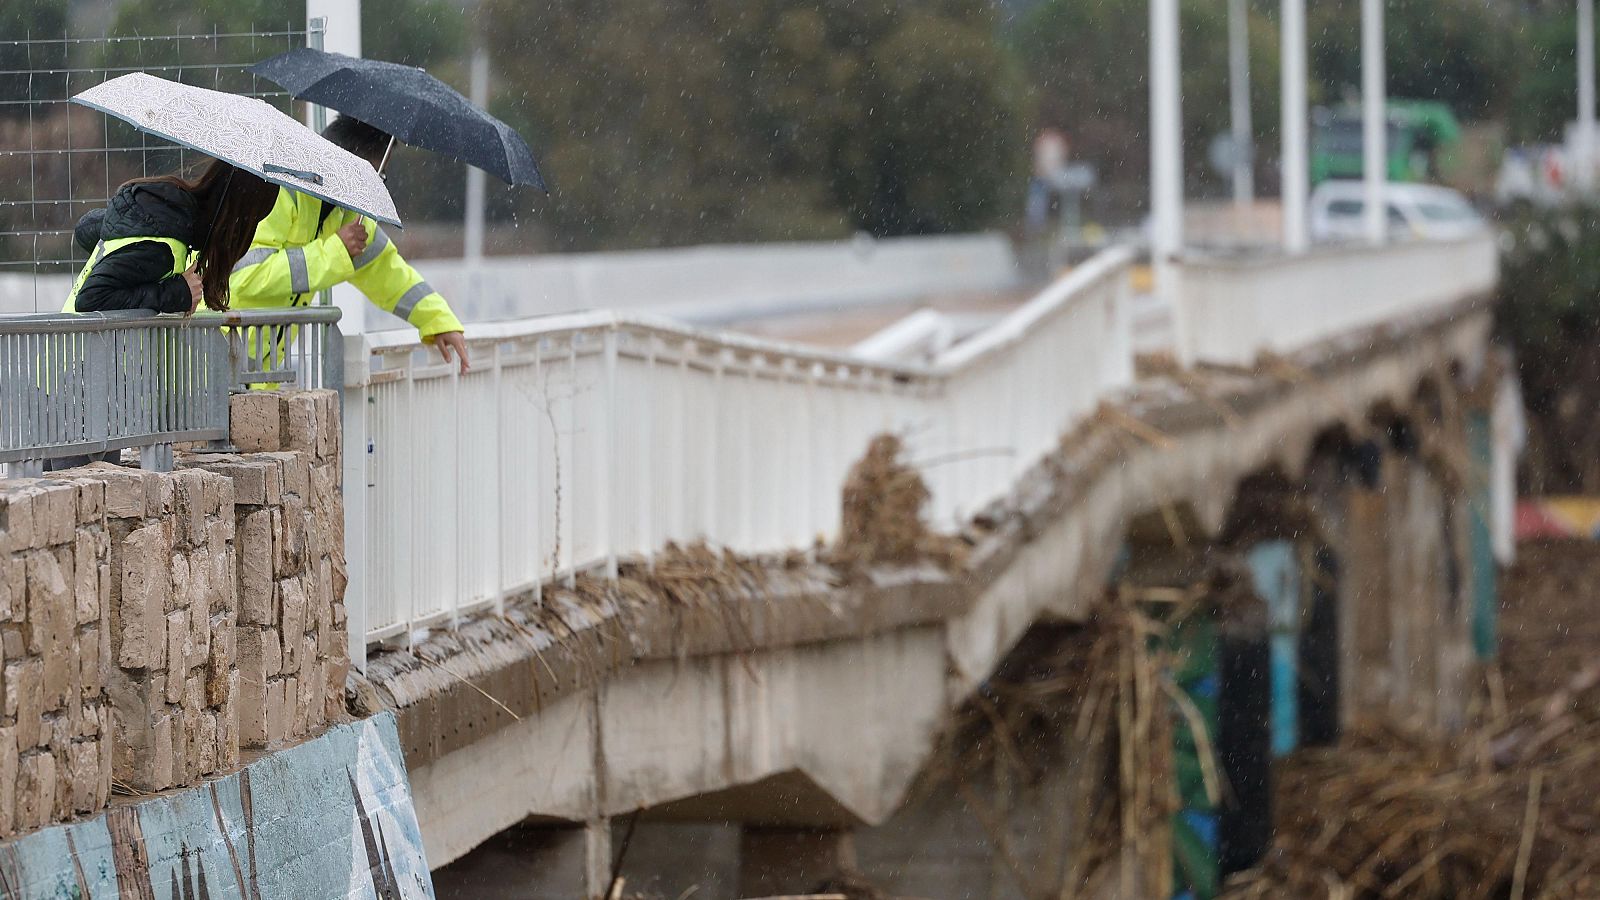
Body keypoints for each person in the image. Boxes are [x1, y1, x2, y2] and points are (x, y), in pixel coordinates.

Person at [229, 115, 471, 373]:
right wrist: (336, 251)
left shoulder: (349, 216)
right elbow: (245, 277)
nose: (377, 184)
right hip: (215, 359)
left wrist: (438, 321)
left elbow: (388, 274)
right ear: (351, 166)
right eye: (377, 174)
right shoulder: (278, 192)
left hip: (256, 370)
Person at [65, 158, 278, 314]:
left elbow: (88, 229)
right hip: (85, 359)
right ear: (239, 221)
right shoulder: (161, 243)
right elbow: (90, 300)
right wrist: (178, 293)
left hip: (82, 355)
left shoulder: (164, 217)